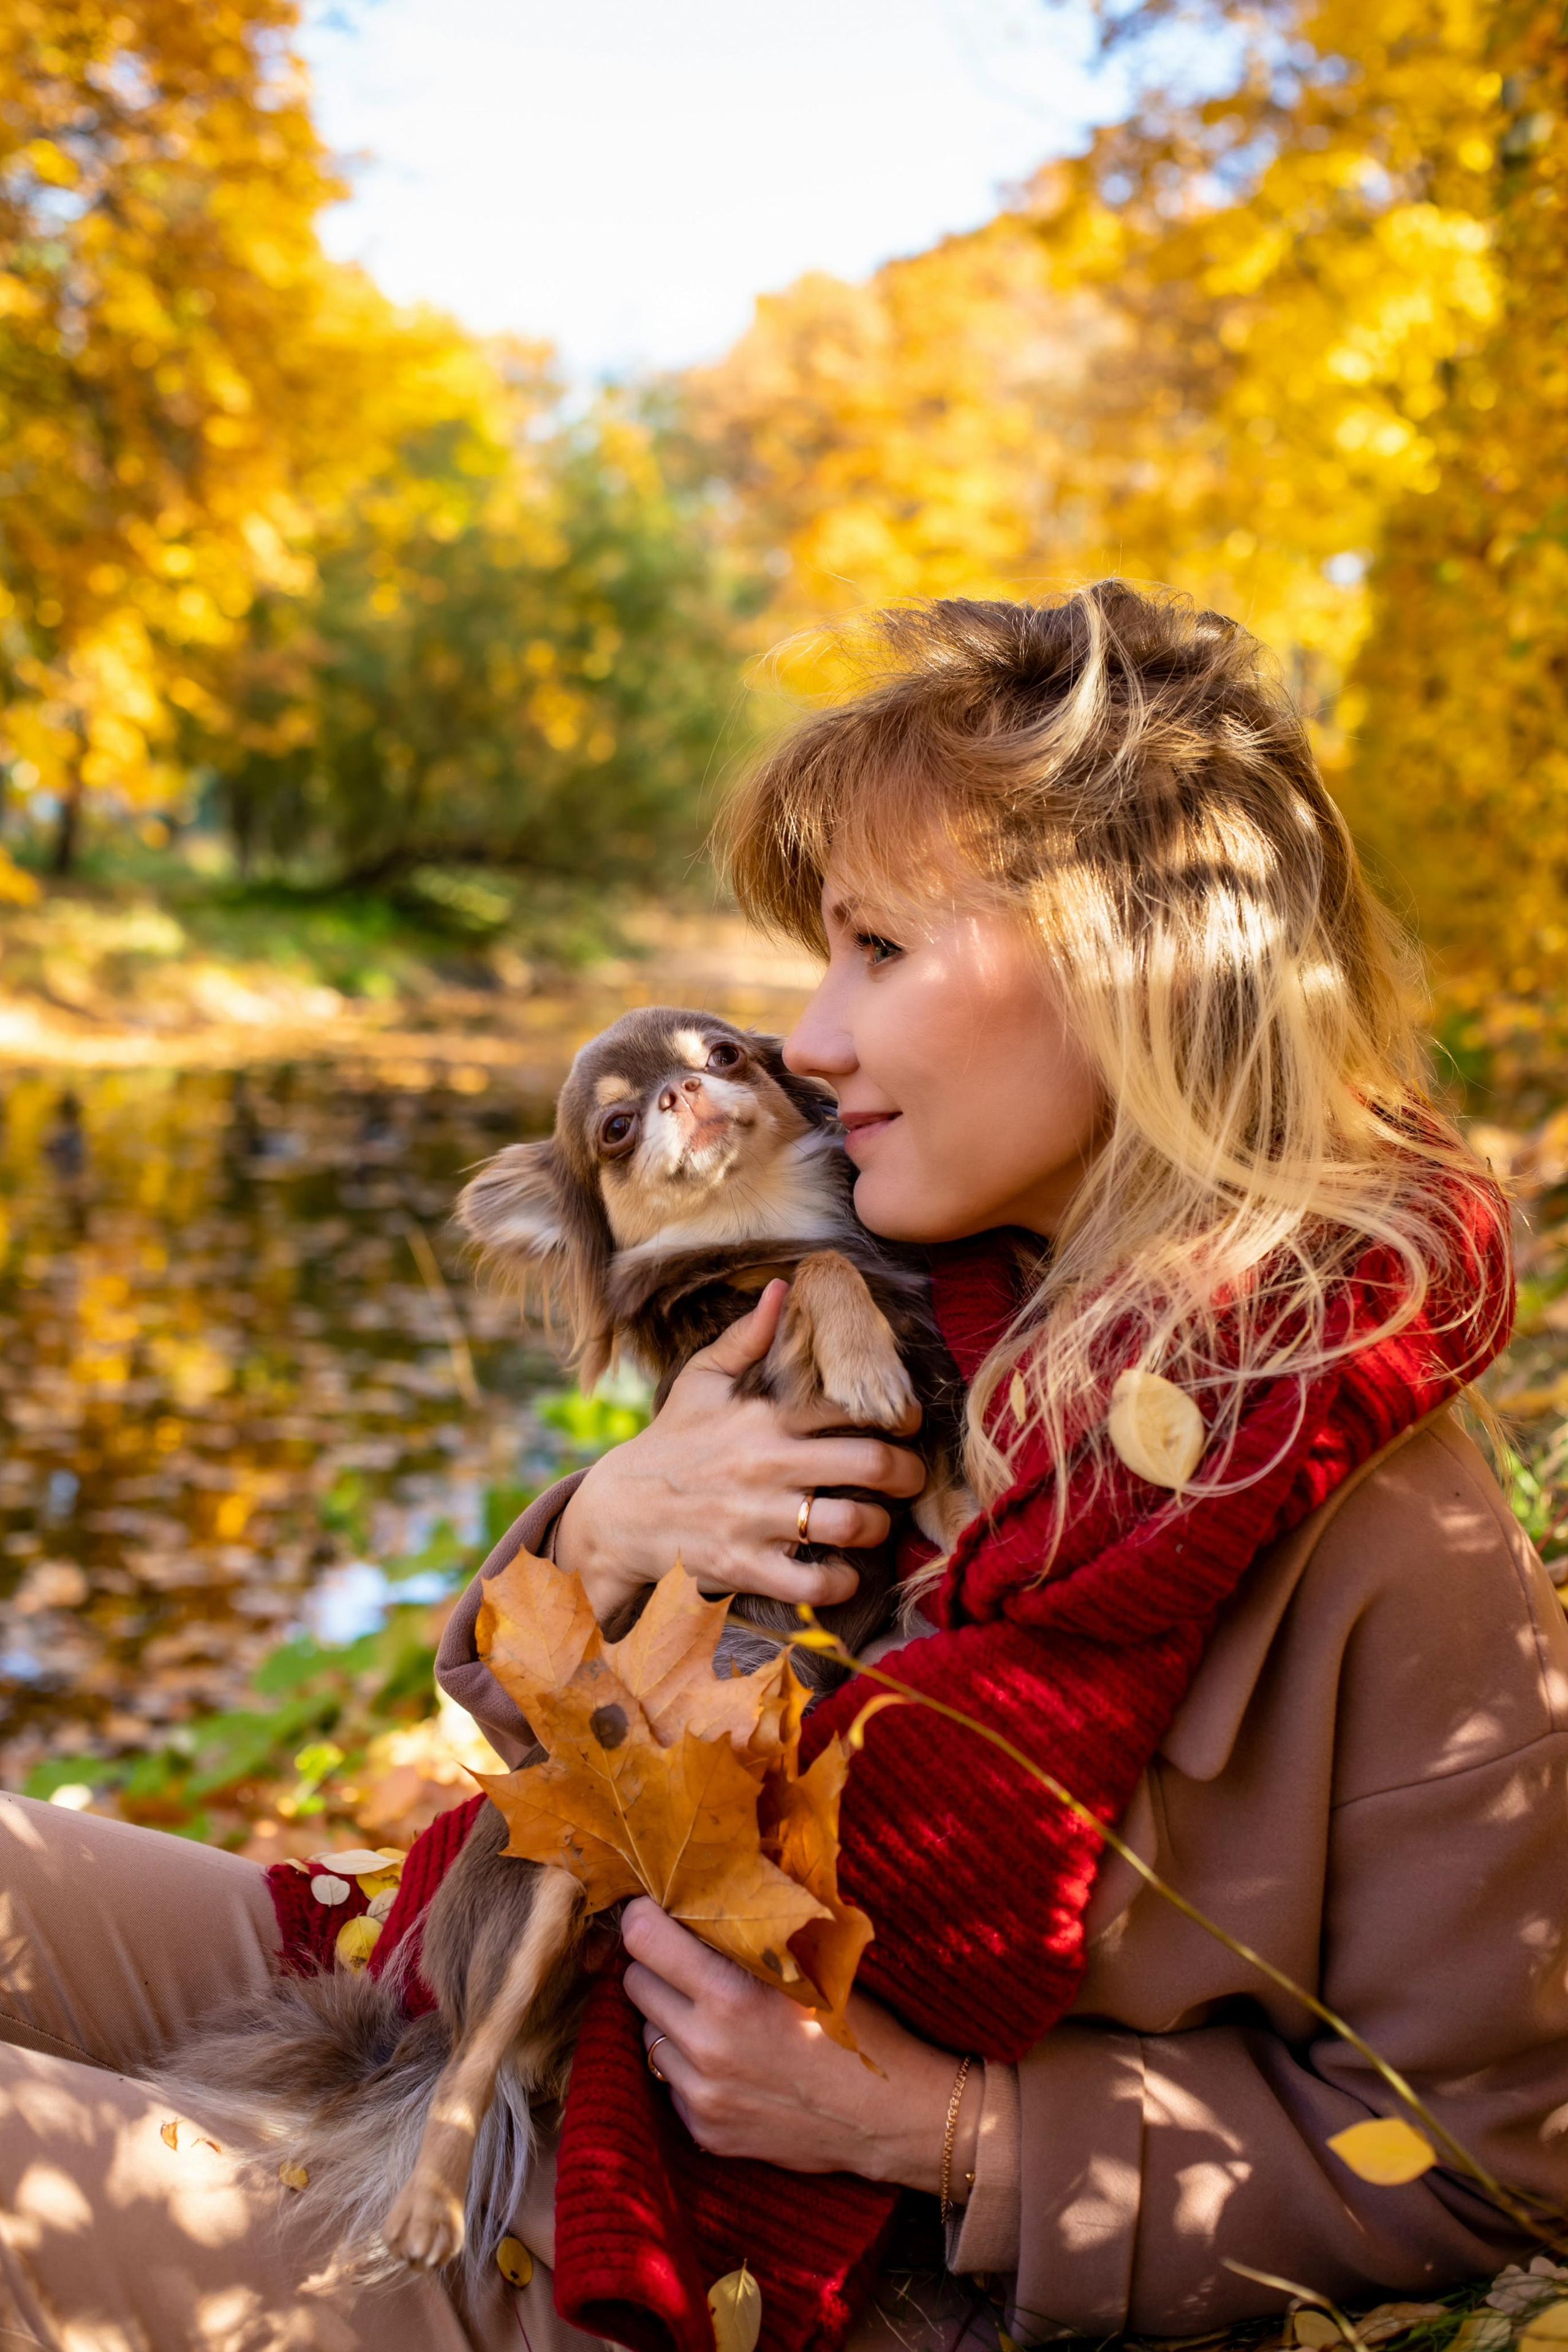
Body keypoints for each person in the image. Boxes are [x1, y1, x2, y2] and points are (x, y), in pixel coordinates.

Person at [2, 585, 1564, 2352]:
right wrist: (594, 1535)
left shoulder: (1368, 1511)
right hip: (485, 1984)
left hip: (654, 2222)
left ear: (1131, 973)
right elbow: (596, 1781)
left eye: (877, 952)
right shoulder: (902, 1312)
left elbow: (1492, 2165)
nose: (806, 1043)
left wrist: (951, 2131)